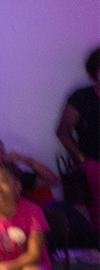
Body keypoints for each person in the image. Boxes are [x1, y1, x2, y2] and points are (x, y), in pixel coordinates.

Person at [55, 47, 99, 227]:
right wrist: (81, 159)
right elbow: (63, 131)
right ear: (94, 71)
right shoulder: (83, 96)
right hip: (94, 164)